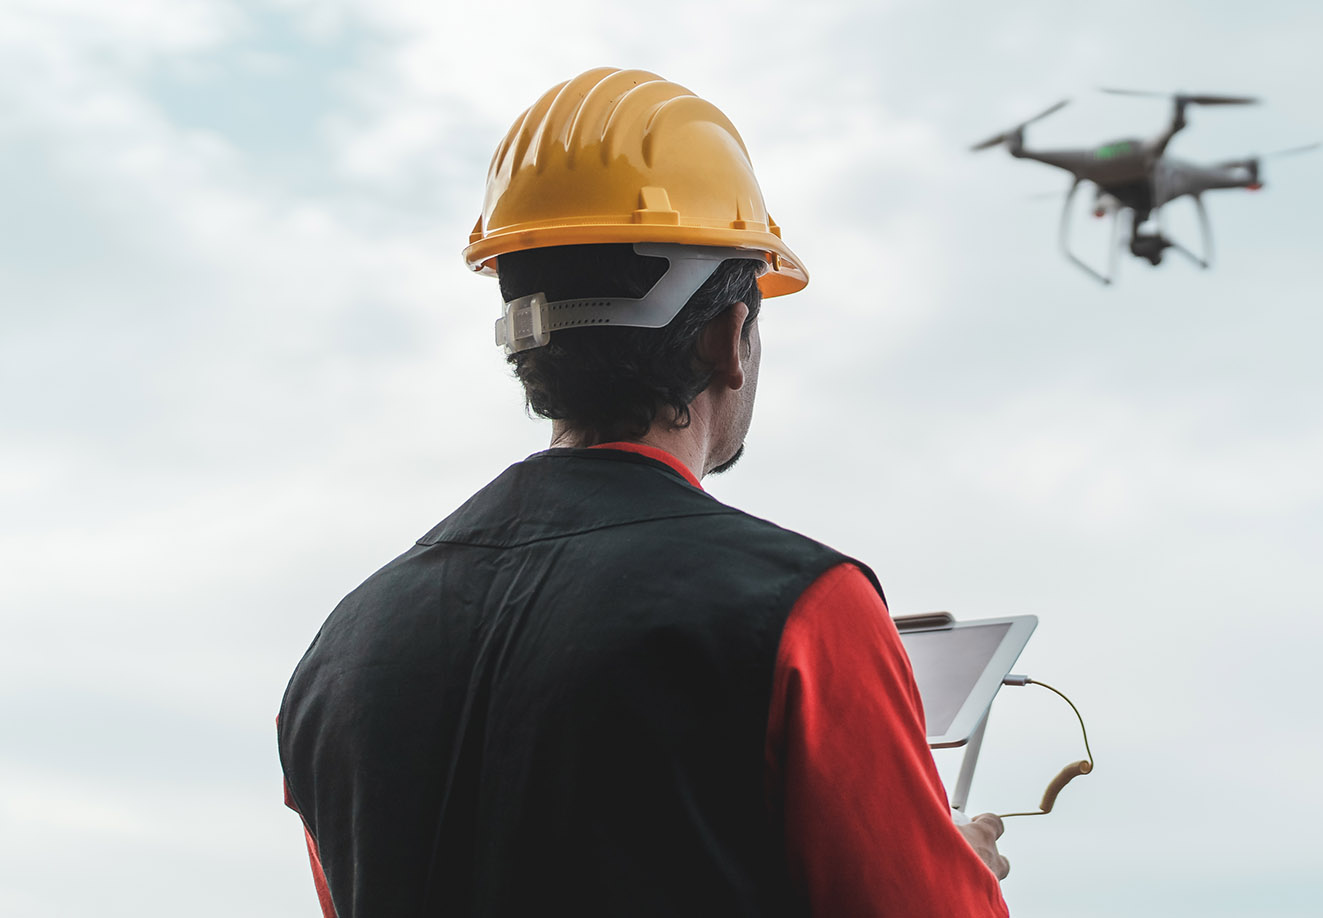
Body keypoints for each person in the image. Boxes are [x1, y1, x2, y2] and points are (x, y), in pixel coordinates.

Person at [276, 67, 1011, 917]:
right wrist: (953, 865)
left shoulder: (343, 647)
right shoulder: (803, 609)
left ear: (526, 342)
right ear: (728, 338)